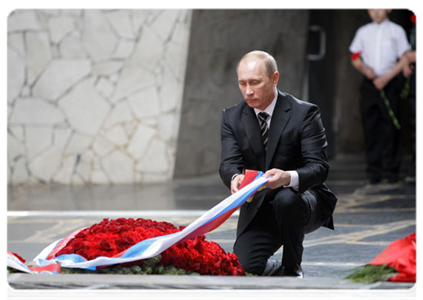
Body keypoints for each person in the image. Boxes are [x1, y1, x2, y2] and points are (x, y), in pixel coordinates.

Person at [219, 50, 337, 277]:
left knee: (285, 198)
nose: (248, 91)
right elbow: (228, 164)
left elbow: (320, 168)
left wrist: (288, 177)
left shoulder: (304, 113)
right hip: (260, 205)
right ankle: (281, 271)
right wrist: (235, 179)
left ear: (274, 79)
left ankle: (293, 267)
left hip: (302, 199)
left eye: (255, 82)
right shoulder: (232, 117)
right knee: (244, 267)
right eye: (242, 83)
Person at [349, 8, 410, 184]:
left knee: (390, 126)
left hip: (389, 83)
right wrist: (365, 69)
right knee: (370, 125)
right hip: (369, 84)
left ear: (389, 8)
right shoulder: (363, 31)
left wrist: (387, 77)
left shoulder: (396, 31)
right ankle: (373, 171)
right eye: (371, 8)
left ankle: (391, 170)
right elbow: (355, 56)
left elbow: (404, 58)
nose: (375, 12)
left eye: (380, 7)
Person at [403, 8, 420, 185]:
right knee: (416, 130)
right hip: (416, 85)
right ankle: (416, 169)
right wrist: (407, 63)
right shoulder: (415, 25)